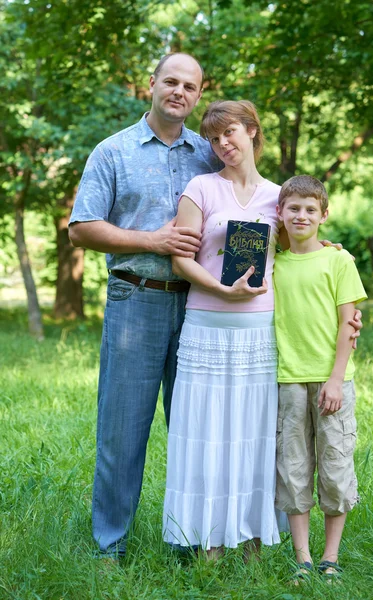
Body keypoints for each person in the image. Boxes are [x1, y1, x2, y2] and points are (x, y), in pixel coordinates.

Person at [162, 102, 362, 559]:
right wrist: (221, 288)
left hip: (259, 332)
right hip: (207, 327)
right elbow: (181, 257)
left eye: (230, 133)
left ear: (252, 131)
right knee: (208, 432)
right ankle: (209, 539)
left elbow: (299, 248)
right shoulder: (200, 187)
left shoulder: (277, 196)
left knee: (255, 435)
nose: (223, 145)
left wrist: (335, 258)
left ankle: (252, 537)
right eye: (213, 139)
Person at [68, 53, 221, 558]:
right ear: (151, 85)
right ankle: (109, 548)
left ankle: (192, 541)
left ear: (200, 95)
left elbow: (253, 206)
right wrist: (152, 241)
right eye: (171, 82)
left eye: (190, 86)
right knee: (123, 431)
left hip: (201, 307)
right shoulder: (113, 152)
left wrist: (312, 242)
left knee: (194, 428)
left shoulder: (211, 154)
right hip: (135, 299)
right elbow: (82, 228)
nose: (179, 91)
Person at [273, 175, 367, 582]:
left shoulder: (338, 261)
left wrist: (335, 377)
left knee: (334, 465)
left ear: (324, 215)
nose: (301, 215)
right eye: (293, 207)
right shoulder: (273, 263)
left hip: (332, 380)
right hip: (287, 378)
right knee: (292, 468)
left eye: (310, 209)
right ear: (280, 213)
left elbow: (350, 323)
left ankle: (330, 557)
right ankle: (303, 558)